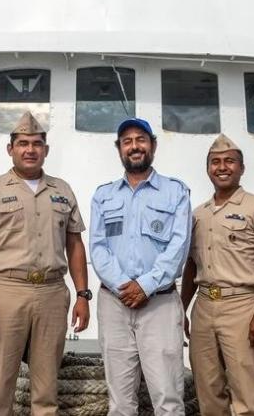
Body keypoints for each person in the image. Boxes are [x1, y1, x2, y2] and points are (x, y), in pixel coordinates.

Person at [0, 112, 90, 416]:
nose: (29, 149)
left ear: (45, 150)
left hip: (52, 292)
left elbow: (74, 244)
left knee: (46, 387)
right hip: (7, 291)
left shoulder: (63, 190)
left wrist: (83, 296)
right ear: (11, 149)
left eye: (36, 144)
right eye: (22, 144)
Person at [90, 117, 191, 416]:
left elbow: (178, 246)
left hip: (159, 304)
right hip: (114, 304)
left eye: (141, 139)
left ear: (153, 145)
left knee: (168, 399)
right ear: (119, 148)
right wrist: (125, 286)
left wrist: (145, 285)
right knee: (120, 402)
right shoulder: (103, 195)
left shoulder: (176, 192)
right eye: (127, 141)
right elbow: (98, 247)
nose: (134, 146)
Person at [181, 134, 254, 416]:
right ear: (208, 168)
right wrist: (182, 308)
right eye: (215, 162)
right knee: (208, 389)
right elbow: (191, 265)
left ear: (241, 168)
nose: (222, 167)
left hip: (242, 306)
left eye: (229, 161)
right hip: (204, 306)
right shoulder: (198, 214)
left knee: (248, 391)